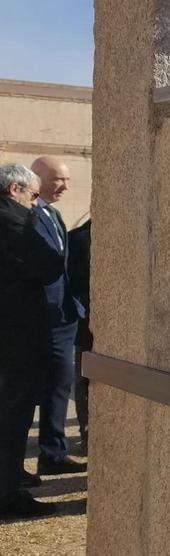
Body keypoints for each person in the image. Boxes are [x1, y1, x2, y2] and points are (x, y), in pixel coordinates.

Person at [0, 164, 63, 518]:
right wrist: (37, 218)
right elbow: (50, 264)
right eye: (33, 196)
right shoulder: (13, 220)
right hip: (14, 338)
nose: (35, 204)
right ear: (14, 190)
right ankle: (6, 494)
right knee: (13, 412)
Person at [22, 157, 86, 476]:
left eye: (67, 180)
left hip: (63, 318)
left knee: (61, 385)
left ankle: (53, 453)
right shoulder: (25, 216)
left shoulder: (54, 214)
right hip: (37, 319)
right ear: (38, 178)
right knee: (29, 389)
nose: (65, 186)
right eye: (58, 179)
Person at [68, 216, 92, 455]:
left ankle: (87, 435)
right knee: (84, 378)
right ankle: (87, 434)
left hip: (90, 322)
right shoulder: (78, 239)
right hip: (87, 321)